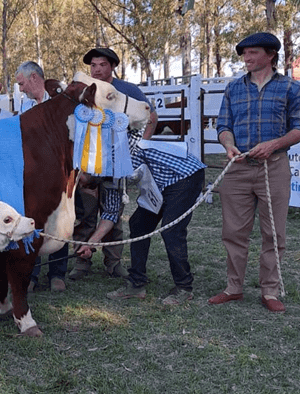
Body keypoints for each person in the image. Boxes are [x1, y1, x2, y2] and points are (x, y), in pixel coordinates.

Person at [209, 32, 300, 313]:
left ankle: (270, 290)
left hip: (274, 168)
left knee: (274, 233)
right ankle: (233, 287)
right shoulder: (233, 88)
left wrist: (274, 145)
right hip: (238, 168)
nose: (246, 58)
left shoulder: (292, 88)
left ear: (270, 55)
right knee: (233, 231)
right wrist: (228, 145)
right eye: (244, 54)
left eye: (252, 53)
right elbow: (223, 126)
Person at [81, 126, 206, 304]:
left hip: (184, 175)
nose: (81, 183)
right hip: (158, 184)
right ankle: (136, 284)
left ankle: (184, 287)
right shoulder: (109, 181)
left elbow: (140, 127)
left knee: (171, 231)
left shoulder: (114, 151)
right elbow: (110, 214)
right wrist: (90, 243)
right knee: (138, 224)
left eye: (81, 177)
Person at [71, 47, 157, 279]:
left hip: (117, 160)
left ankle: (113, 262)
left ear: (112, 67)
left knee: (113, 211)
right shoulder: (84, 90)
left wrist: (139, 147)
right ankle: (81, 261)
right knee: (84, 211)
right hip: (88, 161)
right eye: (93, 65)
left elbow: (150, 116)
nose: (97, 69)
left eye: (102, 65)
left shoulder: (127, 91)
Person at [14, 61, 67, 293]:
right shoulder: (25, 108)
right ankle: (32, 274)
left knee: (59, 219)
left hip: (58, 172)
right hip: (33, 173)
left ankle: (57, 273)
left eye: (22, 84)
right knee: (32, 221)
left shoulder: (60, 102)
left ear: (34, 78)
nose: (21, 89)